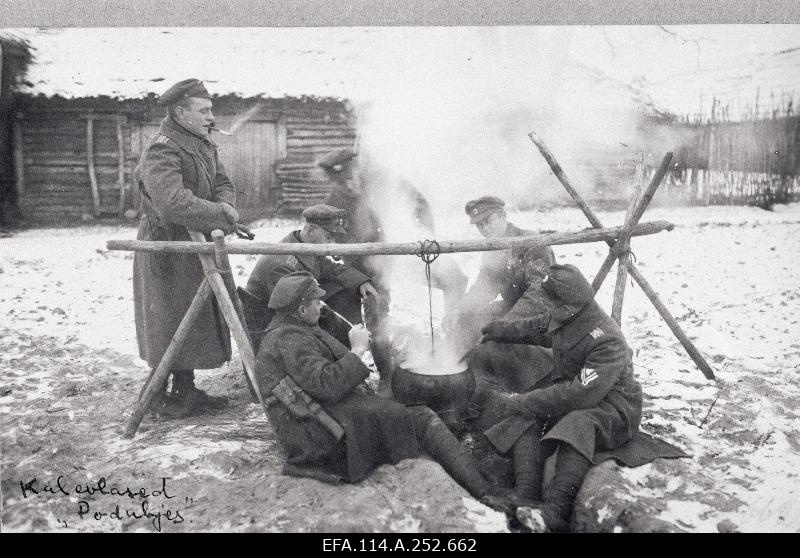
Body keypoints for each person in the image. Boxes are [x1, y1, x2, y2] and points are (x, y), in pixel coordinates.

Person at [255, 271, 508, 502]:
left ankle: (472, 476)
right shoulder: (290, 339)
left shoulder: (292, 330)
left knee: (401, 414)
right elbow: (327, 383)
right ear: (300, 310)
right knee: (420, 418)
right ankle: (486, 493)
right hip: (322, 437)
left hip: (319, 416)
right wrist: (357, 350)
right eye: (315, 302)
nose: (321, 305)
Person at [475, 263, 643, 532]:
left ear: (567, 308)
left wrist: (522, 400)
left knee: (575, 422)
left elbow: (579, 394)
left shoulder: (606, 340)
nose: (547, 309)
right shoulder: (567, 316)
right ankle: (526, 494)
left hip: (614, 405)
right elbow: (535, 327)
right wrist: (497, 329)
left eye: (550, 304)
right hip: (581, 393)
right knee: (527, 413)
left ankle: (555, 512)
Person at [132, 78, 239, 419]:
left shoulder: (202, 142)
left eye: (211, 110)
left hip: (198, 242)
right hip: (168, 246)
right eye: (204, 110)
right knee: (170, 319)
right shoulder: (162, 148)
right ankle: (158, 397)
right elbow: (172, 203)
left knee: (195, 318)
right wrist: (220, 214)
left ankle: (185, 390)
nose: (211, 116)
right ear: (180, 112)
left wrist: (225, 206)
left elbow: (223, 183)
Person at [242, 204, 379, 352]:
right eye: (328, 236)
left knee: (343, 291)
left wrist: (361, 282)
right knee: (324, 313)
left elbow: (330, 268)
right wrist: (353, 337)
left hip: (293, 316)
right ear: (312, 229)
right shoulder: (282, 264)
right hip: (269, 330)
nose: (331, 242)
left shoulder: (303, 245)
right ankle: (343, 357)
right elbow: (298, 313)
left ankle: (345, 354)